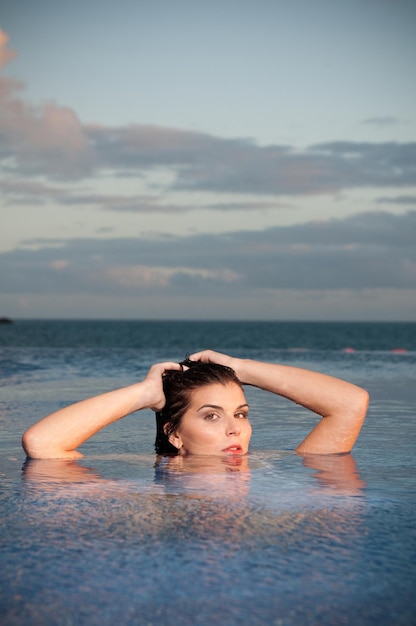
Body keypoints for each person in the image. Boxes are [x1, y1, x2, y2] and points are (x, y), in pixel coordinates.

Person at [21, 349, 369, 460]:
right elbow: (42, 444)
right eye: (211, 416)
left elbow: (352, 404)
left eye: (241, 414)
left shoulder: (271, 470)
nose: (235, 428)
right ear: (174, 435)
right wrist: (146, 395)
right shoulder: (156, 503)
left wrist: (241, 369)